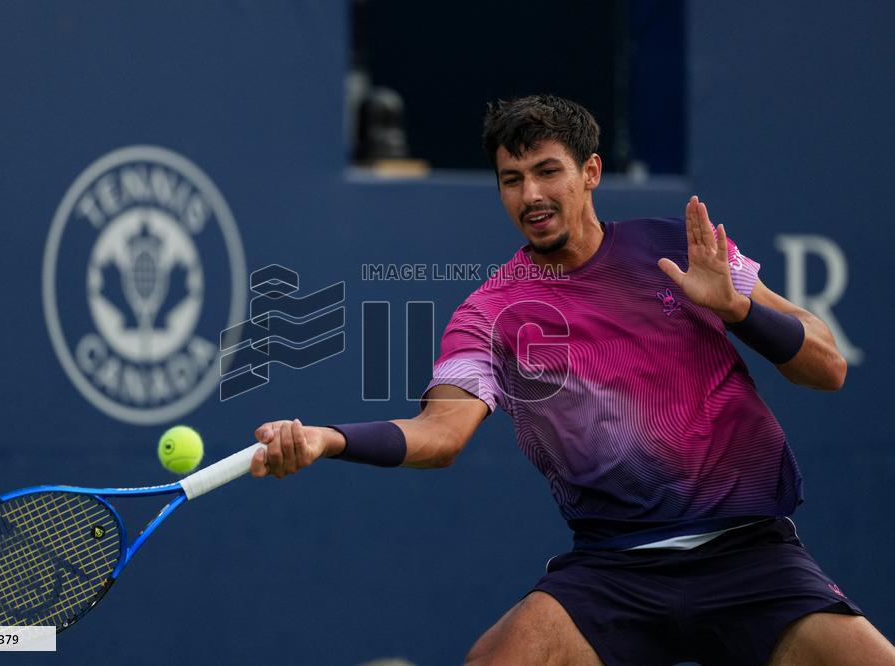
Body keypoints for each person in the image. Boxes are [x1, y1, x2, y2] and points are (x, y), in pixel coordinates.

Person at [247, 95, 895, 665]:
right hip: (615, 569)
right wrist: (328, 439)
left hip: (749, 553)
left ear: (590, 172)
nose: (530, 196)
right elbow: (440, 436)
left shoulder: (678, 248)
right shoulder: (491, 312)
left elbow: (828, 367)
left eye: (547, 171)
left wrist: (737, 309)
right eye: (511, 180)